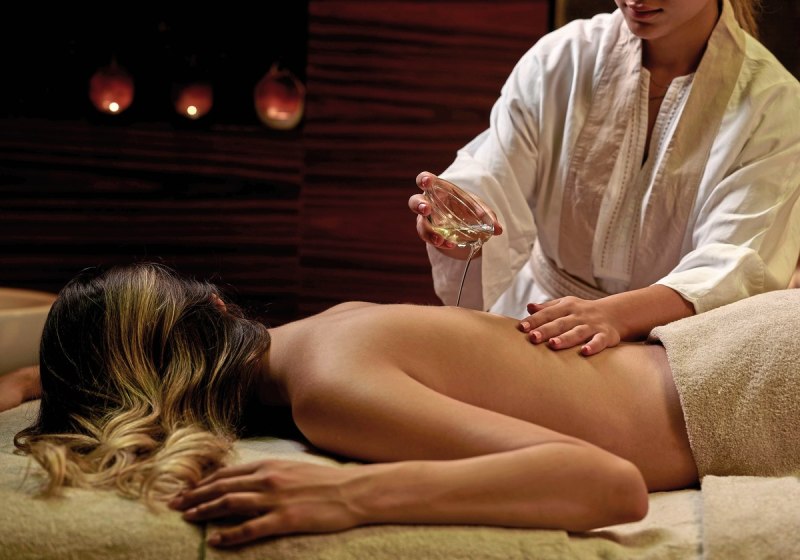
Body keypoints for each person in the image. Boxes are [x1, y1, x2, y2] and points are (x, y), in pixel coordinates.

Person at [5, 262, 799, 548]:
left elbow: (607, 485)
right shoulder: (323, 333)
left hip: (756, 378)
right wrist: (30, 382)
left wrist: (352, 495)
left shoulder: (328, 390)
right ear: (216, 309)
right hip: (742, 353)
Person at [409, 0, 800, 356]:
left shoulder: (775, 105)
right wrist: (457, 225)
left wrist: (614, 315)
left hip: (670, 354)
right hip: (534, 321)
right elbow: (493, 178)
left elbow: (736, 264)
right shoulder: (561, 58)